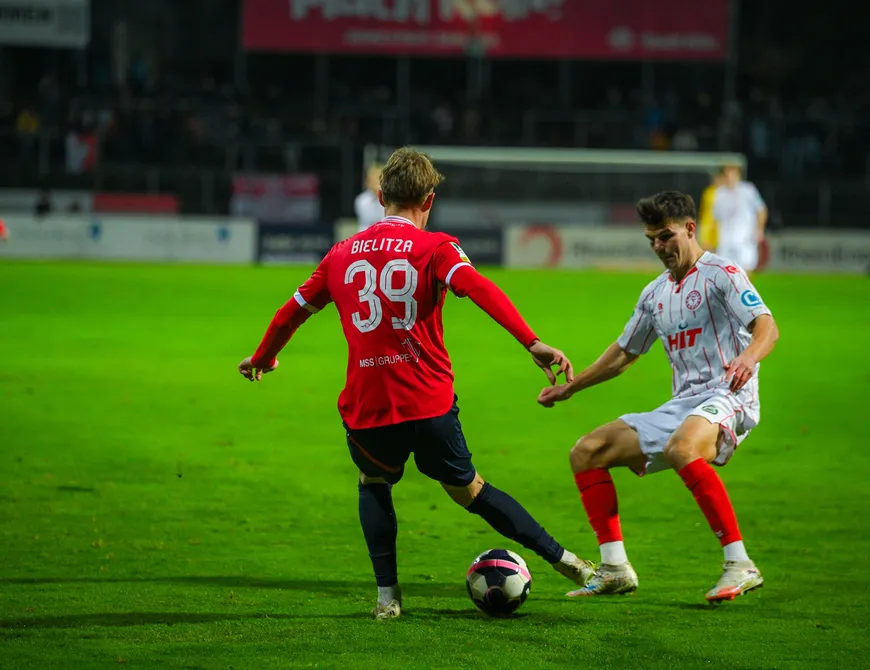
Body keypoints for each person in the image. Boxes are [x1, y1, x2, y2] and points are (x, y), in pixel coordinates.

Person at [239, 148, 594, 619]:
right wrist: (532, 342)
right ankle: (567, 562)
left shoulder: (340, 254)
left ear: (381, 194)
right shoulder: (436, 248)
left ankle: (387, 599)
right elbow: (478, 287)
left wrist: (264, 358)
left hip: (369, 406)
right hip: (429, 405)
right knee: (470, 491)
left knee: (373, 482)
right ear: (429, 200)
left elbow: (291, 313)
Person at [538, 191, 779, 602]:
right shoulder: (655, 294)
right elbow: (623, 354)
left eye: (665, 236)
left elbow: (766, 327)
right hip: (685, 404)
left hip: (730, 393)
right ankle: (614, 568)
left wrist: (748, 357)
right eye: (651, 239)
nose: (658, 247)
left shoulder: (723, 272)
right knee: (587, 451)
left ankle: (739, 563)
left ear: (689, 228)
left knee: (683, 447)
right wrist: (570, 387)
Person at [711, 163, 768, 272]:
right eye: (727, 174)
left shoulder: (748, 190)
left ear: (738, 175)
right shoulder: (719, 194)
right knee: (725, 276)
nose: (730, 177)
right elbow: (716, 218)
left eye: (732, 174)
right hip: (726, 242)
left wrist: (759, 229)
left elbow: (761, 210)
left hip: (745, 240)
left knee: (746, 275)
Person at [354, 163, 385, 232]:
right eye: (373, 178)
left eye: (378, 178)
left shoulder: (390, 199)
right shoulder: (361, 200)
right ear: (367, 181)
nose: (375, 181)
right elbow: (368, 220)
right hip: (366, 234)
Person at [697, 169, 723, 252]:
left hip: (719, 225)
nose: (716, 181)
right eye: (715, 179)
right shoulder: (708, 191)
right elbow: (703, 208)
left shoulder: (724, 193)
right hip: (707, 224)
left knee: (719, 249)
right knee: (705, 248)